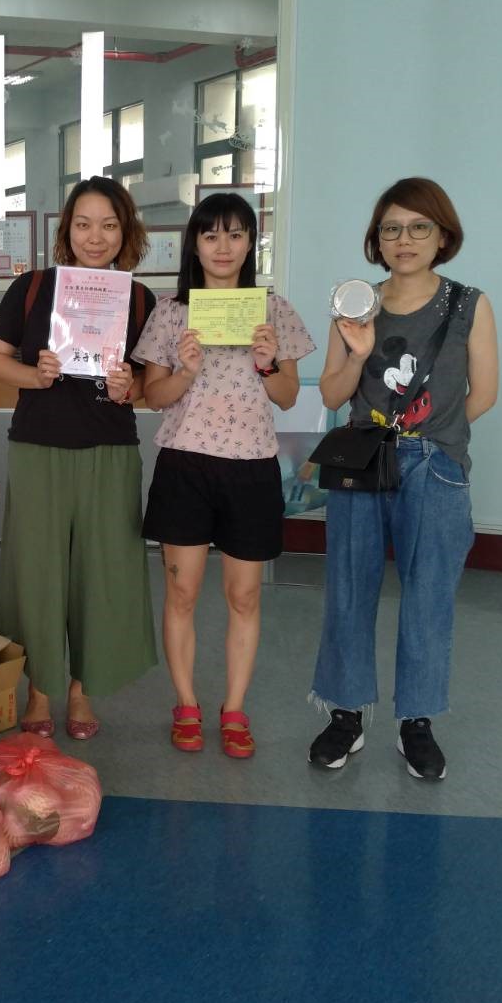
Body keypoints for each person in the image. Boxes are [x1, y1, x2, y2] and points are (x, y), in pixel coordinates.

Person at [307, 177, 498, 780]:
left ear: (443, 236)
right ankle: (346, 715)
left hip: (436, 467)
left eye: (419, 227)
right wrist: (359, 353)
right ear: (377, 238)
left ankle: (417, 722)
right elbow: (333, 394)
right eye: (391, 228)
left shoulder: (469, 304)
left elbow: (484, 393)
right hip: (361, 464)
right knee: (348, 589)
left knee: (429, 597)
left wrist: (427, 438)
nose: (404, 239)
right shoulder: (354, 303)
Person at [133, 192, 314, 757]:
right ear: (194, 243)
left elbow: (288, 396)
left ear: (250, 243)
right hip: (185, 464)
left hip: (252, 466)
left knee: (245, 596)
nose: (223, 246)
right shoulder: (171, 311)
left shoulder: (273, 310)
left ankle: (234, 708)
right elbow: (153, 396)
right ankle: (185, 703)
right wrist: (186, 370)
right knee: (182, 591)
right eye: (210, 234)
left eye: (235, 234)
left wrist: (267, 363)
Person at [0, 176, 158, 739]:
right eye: (83, 224)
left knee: (101, 573)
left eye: (108, 225)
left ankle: (82, 691)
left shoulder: (139, 298)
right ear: (67, 230)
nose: (95, 237)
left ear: (125, 232)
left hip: (111, 451)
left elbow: (150, 387)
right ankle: (40, 691)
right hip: (39, 447)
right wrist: (34, 375)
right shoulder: (32, 288)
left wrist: (130, 384)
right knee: (37, 571)